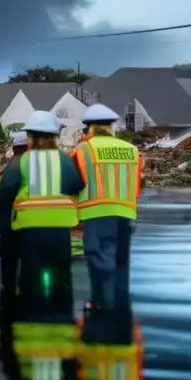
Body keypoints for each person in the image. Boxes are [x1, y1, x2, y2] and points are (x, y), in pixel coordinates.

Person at [0, 111, 84, 301]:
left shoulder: (21, 162)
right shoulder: (66, 161)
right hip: (59, 231)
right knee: (61, 279)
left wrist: (3, 229)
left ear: (31, 137)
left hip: (30, 232)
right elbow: (77, 186)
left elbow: (5, 196)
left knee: (28, 278)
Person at [69, 104, 142, 310]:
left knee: (99, 255)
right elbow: (138, 183)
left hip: (97, 210)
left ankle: (103, 301)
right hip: (127, 210)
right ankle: (118, 300)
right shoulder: (132, 150)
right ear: (111, 126)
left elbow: (73, 182)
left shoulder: (83, 150)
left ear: (89, 127)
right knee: (120, 258)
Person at [0, 130, 27, 295]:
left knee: (9, 260)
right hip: (30, 219)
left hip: (9, 220)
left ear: (14, 146)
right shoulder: (33, 165)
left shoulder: (12, 166)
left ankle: (9, 290)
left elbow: (2, 196)